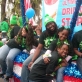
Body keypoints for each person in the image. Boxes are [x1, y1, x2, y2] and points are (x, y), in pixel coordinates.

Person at [21, 14, 58, 82]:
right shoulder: (44, 34)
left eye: (51, 23)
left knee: (33, 67)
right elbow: (39, 48)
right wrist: (32, 60)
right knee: (25, 64)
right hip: (42, 51)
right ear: (46, 27)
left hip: (51, 54)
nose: (50, 26)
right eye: (48, 25)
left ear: (54, 23)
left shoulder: (59, 33)